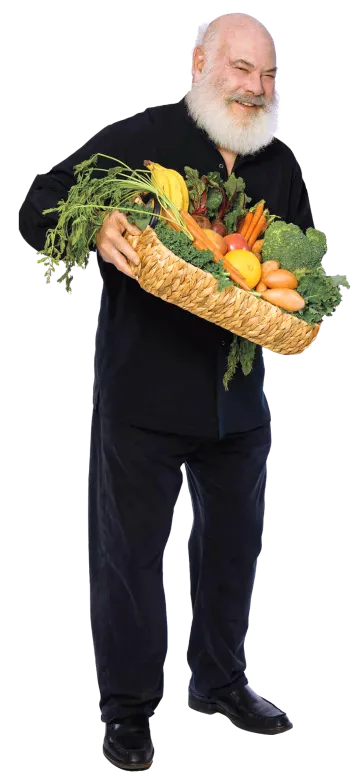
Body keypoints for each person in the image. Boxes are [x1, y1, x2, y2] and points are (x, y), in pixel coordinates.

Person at [17, 12, 310, 768]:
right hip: (142, 399)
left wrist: (306, 302)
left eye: (268, 75)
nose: (255, 87)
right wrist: (95, 227)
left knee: (234, 552)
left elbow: (300, 268)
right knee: (131, 560)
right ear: (201, 64)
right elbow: (40, 200)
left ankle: (221, 683)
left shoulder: (279, 162)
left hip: (240, 405)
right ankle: (127, 711)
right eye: (242, 69)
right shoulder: (143, 138)